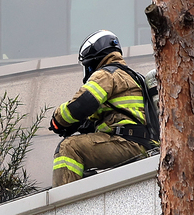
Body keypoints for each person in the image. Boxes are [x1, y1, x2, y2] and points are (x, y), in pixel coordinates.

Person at [49, 30, 158, 185]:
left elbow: (81, 105)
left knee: (68, 148)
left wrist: (57, 119)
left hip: (125, 142)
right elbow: (104, 115)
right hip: (140, 143)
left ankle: (62, 205)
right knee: (83, 159)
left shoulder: (106, 74)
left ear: (93, 59)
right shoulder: (131, 76)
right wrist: (82, 125)